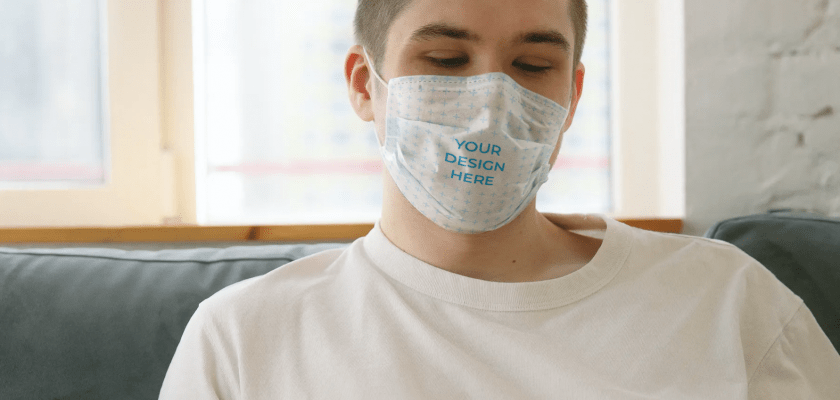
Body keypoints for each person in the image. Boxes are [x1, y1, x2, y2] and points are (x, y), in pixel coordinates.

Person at [160, 0, 840, 398]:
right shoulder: (244, 339)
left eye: (532, 65)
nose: (491, 105)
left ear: (571, 96)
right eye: (446, 61)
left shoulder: (727, 302)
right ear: (365, 86)